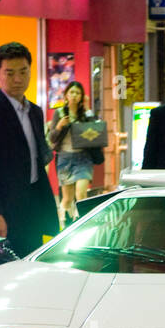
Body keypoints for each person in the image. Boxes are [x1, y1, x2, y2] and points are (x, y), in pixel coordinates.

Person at [0, 41, 60, 282]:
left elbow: (36, 161)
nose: (17, 79)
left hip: (30, 206)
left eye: (23, 72)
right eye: (10, 73)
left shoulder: (35, 112)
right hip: (3, 208)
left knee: (28, 270)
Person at [45, 80, 99, 225]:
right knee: (67, 198)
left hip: (83, 158)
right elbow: (52, 138)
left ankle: (81, 223)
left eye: (78, 93)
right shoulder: (60, 113)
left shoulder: (85, 114)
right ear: (66, 95)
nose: (75, 95)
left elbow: (95, 130)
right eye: (72, 92)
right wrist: (59, 126)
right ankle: (63, 224)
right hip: (65, 158)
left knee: (81, 194)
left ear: (82, 96)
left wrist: (87, 108)